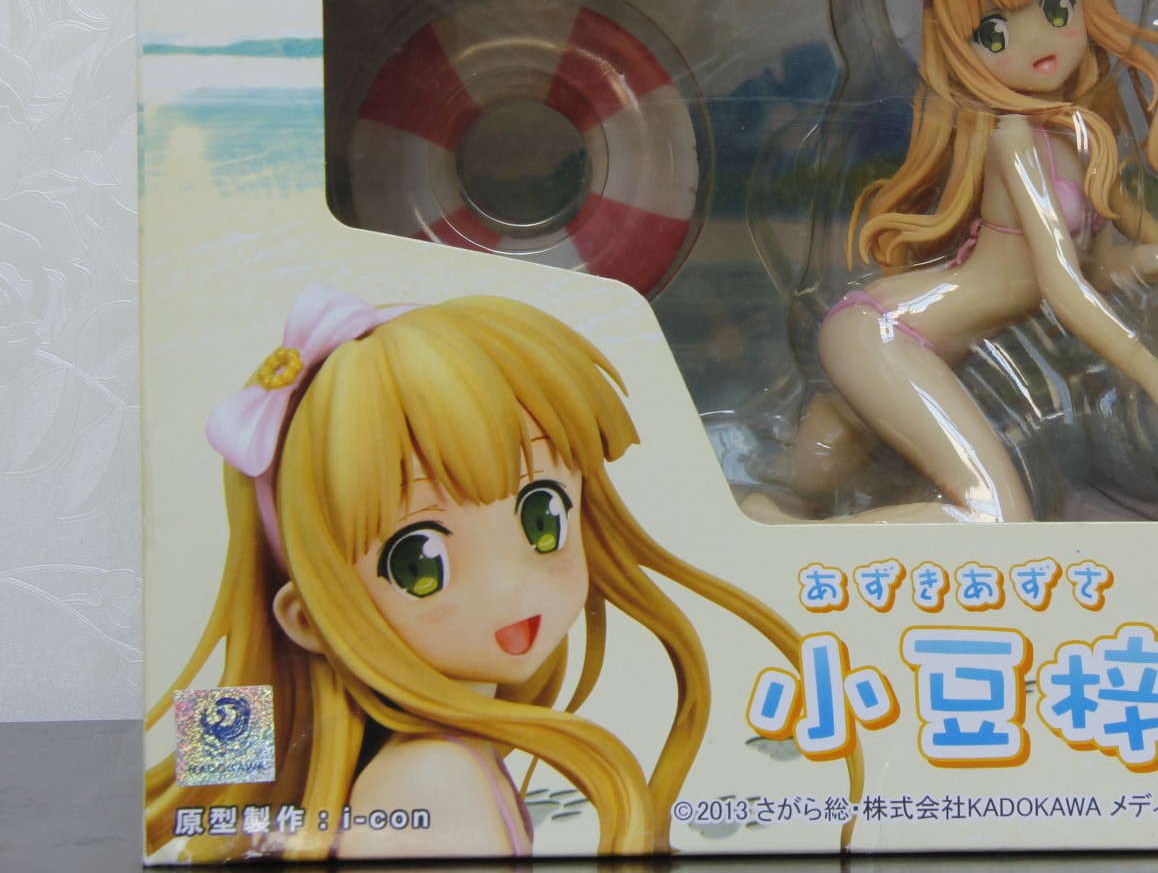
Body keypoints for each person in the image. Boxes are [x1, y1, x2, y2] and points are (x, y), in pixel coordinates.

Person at [146, 286, 849, 858]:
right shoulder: (430, 779)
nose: (512, 586)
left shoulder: (448, 763)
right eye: (419, 562)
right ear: (308, 617)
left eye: (542, 516)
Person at [787, 0, 1158, 523]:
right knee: (997, 519)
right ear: (963, 51)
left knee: (813, 484)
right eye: (995, 34)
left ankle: (774, 521)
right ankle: (772, 540)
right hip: (888, 334)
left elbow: (1100, 271)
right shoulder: (1014, 140)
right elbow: (1061, 286)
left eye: (1055, 9)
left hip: (923, 346)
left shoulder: (1082, 139)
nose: (1036, 43)